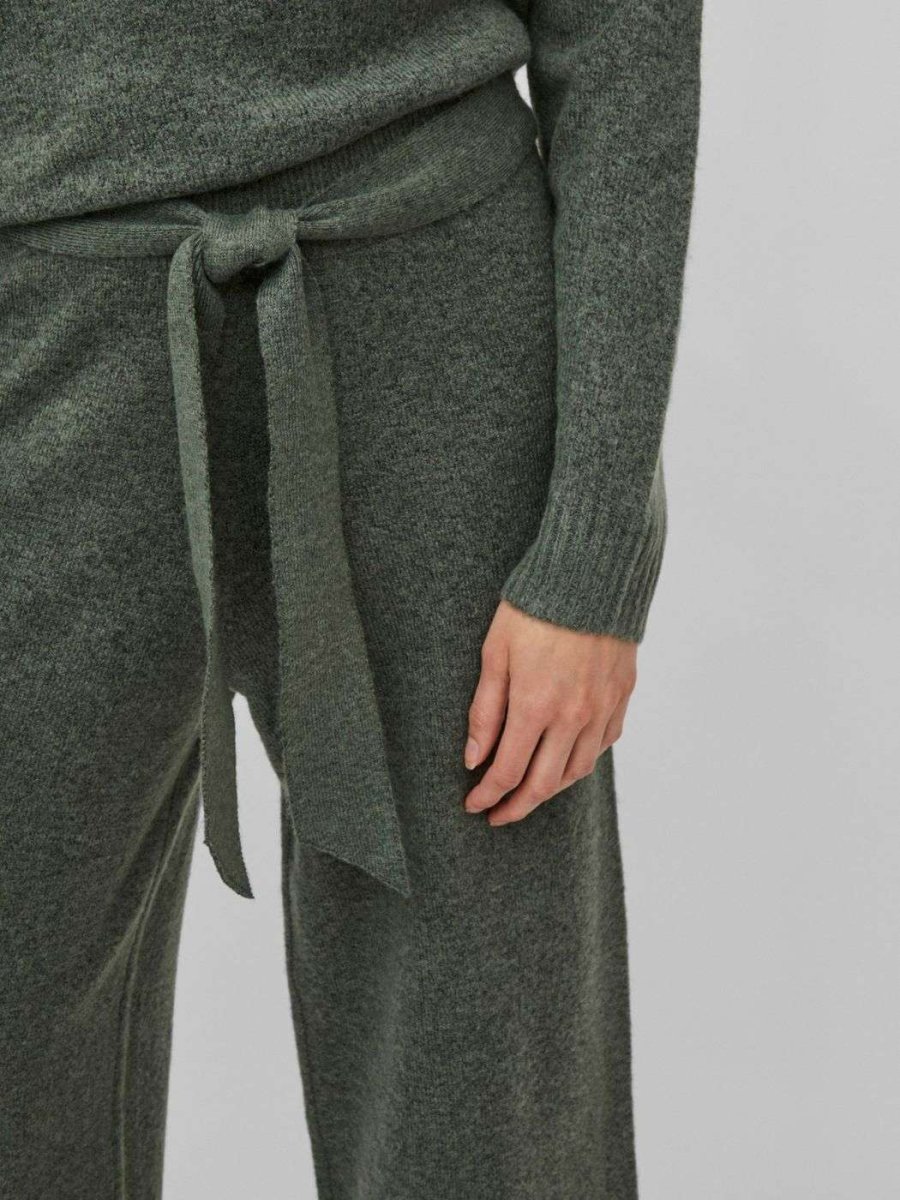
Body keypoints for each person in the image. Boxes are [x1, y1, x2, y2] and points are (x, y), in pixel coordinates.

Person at [0, 2, 702, 1197]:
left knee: (482, 1090)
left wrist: (591, 548)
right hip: (46, 321)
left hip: (435, 320)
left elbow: (627, 38)